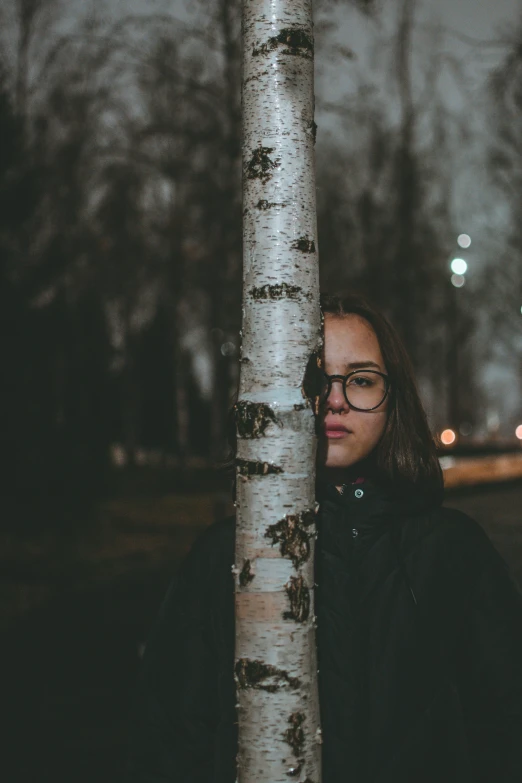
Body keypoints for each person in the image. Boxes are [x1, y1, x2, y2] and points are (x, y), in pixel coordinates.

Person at [126, 292, 522, 783]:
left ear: (392, 397)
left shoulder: (455, 552)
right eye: (317, 379)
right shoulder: (223, 557)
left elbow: (504, 731)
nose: (335, 400)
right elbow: (169, 742)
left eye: (360, 380)